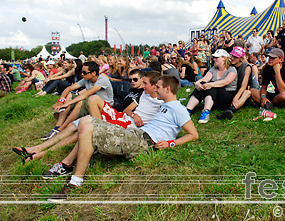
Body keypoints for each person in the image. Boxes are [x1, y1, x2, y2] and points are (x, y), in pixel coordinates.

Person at [47, 75, 199, 202]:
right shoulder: (165, 105)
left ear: (167, 89)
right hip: (138, 135)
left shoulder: (178, 108)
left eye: (158, 87)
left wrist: (171, 143)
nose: (156, 89)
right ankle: (70, 166)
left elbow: (193, 134)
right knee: (86, 121)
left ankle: (75, 182)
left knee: (88, 127)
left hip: (144, 142)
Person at [12, 69, 149, 164]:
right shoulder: (132, 90)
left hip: (114, 116)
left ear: (143, 80)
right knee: (74, 126)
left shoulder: (144, 93)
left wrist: (134, 114)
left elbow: (132, 110)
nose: (131, 81)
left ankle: (42, 153)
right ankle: (38, 147)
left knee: (83, 130)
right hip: (110, 112)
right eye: (130, 79)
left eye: (135, 79)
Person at [40, 61, 114, 141]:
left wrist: (67, 104)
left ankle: (61, 129)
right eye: (82, 72)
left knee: (80, 103)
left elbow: (87, 94)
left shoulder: (102, 79)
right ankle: (58, 126)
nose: (82, 74)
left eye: (85, 72)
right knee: (69, 95)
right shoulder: (87, 79)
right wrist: (60, 101)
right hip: (91, 104)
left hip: (104, 107)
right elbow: (69, 88)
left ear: (93, 73)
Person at [186, 49, 237, 124]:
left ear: (224, 58)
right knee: (203, 85)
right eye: (214, 57)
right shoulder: (213, 69)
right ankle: (188, 110)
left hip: (227, 97)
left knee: (212, 86)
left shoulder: (232, 69)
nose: (214, 59)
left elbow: (226, 82)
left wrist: (210, 84)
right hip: (215, 97)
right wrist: (198, 83)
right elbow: (205, 79)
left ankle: (206, 112)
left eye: (217, 58)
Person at [216, 47, 252, 120]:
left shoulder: (246, 67)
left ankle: (232, 109)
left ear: (241, 59)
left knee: (247, 92)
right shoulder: (229, 66)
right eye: (232, 56)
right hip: (230, 92)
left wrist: (236, 97)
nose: (232, 58)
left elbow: (244, 85)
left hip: (241, 93)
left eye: (235, 57)